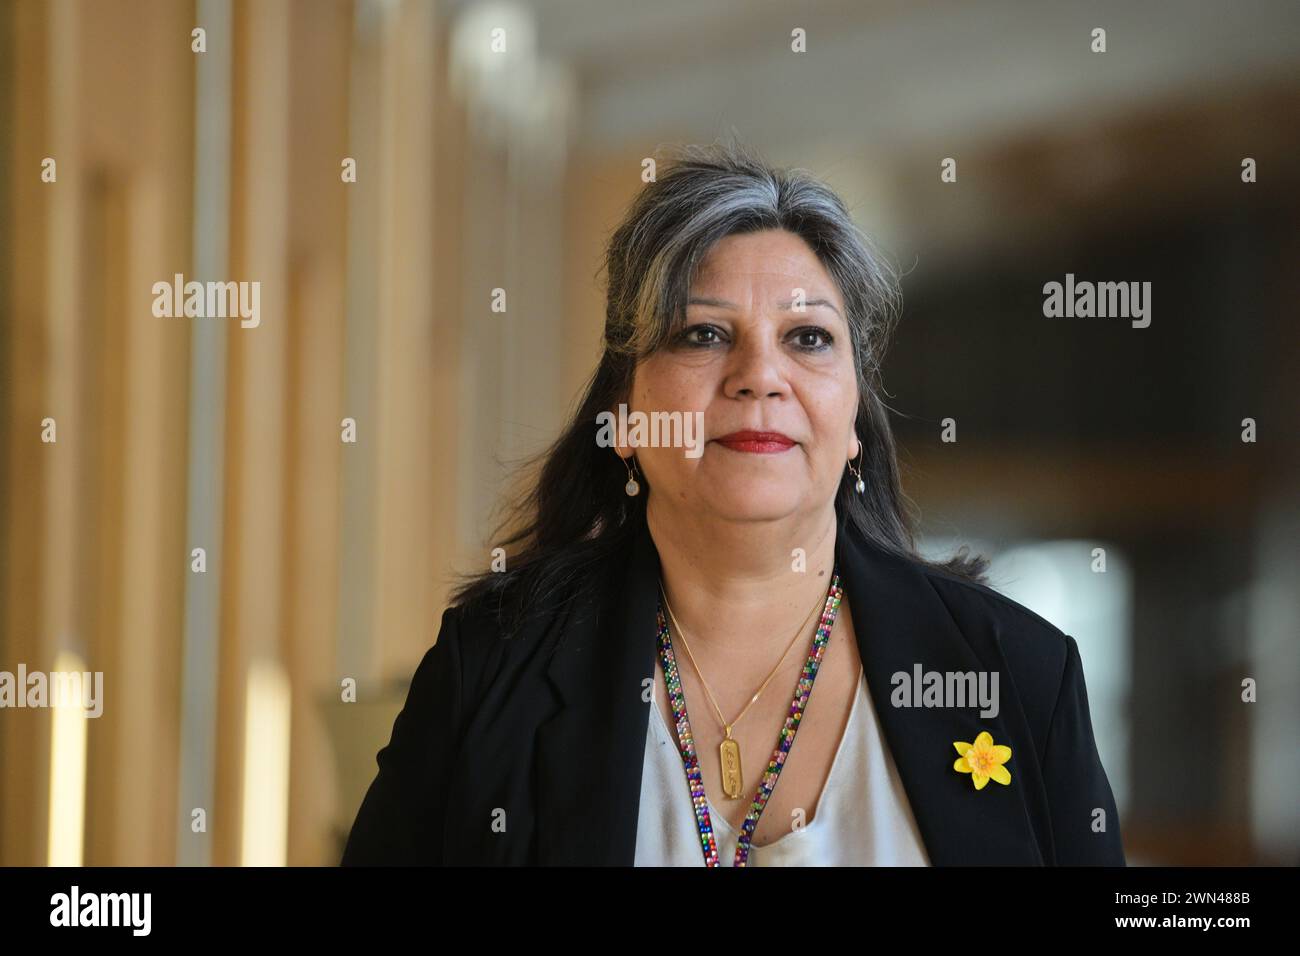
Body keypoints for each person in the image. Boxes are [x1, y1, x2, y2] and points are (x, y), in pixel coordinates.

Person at [341, 141, 1126, 866]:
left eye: (808, 337)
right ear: (625, 409)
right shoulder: (494, 666)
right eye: (703, 335)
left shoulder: (1015, 672)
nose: (760, 375)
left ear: (855, 419)